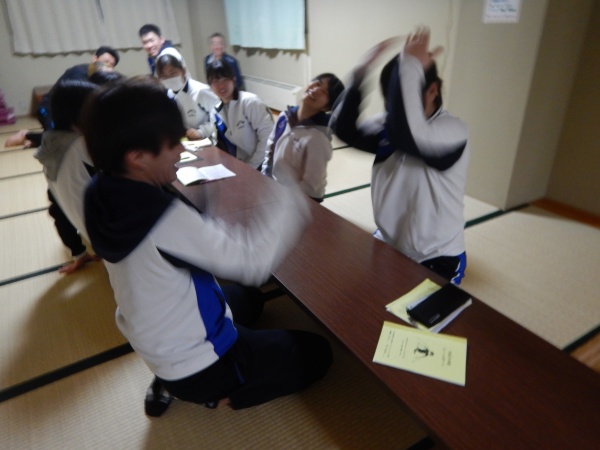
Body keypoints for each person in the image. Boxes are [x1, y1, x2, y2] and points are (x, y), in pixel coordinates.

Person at [81, 76, 332, 414]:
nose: (182, 150)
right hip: (201, 366)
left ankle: (172, 380)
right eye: (173, 144)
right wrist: (292, 200)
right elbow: (252, 263)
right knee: (317, 352)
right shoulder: (162, 219)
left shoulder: (99, 191)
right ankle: (224, 393)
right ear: (137, 156)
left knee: (250, 300)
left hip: (155, 337)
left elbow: (178, 244)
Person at [334, 29, 470, 284]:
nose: (392, 110)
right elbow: (344, 130)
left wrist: (410, 65)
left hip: (436, 255)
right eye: (391, 102)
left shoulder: (453, 131)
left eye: (398, 101)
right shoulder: (389, 124)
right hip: (388, 240)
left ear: (432, 91)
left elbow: (411, 135)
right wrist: (360, 74)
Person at [34, 80, 101, 273]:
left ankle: (80, 254)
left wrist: (78, 252)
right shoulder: (82, 144)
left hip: (83, 226)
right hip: (107, 233)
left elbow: (57, 209)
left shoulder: (51, 139)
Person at [4, 46, 119, 148]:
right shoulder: (79, 72)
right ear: (94, 58)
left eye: (111, 64)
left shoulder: (103, 79)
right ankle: (26, 135)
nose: (108, 65)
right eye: (106, 61)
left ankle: (39, 141)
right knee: (59, 139)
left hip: (70, 115)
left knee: (82, 139)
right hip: (50, 110)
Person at [261, 73, 345, 202]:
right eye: (317, 83)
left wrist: (286, 202)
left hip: (299, 200)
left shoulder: (318, 137)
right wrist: (265, 175)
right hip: (275, 187)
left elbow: (311, 185)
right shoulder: (285, 116)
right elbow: (270, 147)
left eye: (325, 92)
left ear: (327, 106)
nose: (316, 89)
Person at [208, 61, 273, 169]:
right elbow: (217, 144)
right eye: (215, 81)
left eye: (225, 79)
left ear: (234, 80)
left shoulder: (250, 102)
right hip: (237, 166)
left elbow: (268, 138)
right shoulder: (215, 112)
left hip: (260, 166)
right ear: (210, 86)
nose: (221, 85)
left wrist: (252, 167)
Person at [156, 49, 218, 140]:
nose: (169, 79)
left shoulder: (200, 91)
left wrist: (202, 131)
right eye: (164, 76)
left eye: (173, 73)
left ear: (183, 71)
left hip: (207, 140)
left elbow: (221, 117)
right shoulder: (169, 94)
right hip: (185, 140)